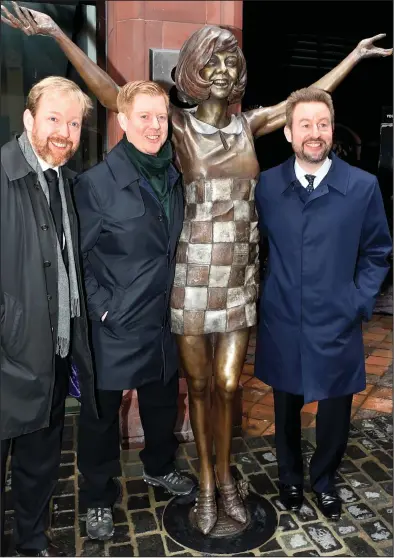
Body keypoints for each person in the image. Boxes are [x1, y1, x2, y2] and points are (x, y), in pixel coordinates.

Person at [2, 1, 391, 534]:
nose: (224, 71)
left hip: (238, 284)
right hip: (190, 284)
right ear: (194, 71)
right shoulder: (177, 126)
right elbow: (112, 95)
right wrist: (57, 36)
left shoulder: (247, 125)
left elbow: (302, 103)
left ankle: (225, 478)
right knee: (202, 386)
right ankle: (207, 486)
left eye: (231, 62)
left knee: (229, 386)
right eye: (213, 62)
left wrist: (352, 57)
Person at [254, 87, 392, 521]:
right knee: (286, 406)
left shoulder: (361, 186)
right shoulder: (268, 185)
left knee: (334, 410)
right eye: (305, 125)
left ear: (332, 130)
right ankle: (290, 478)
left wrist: (357, 301)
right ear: (289, 134)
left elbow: (377, 251)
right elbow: (255, 245)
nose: (315, 133)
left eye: (323, 124)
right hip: (283, 319)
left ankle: (325, 480)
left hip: (336, 319)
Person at [73, 80, 194, 542]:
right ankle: (98, 496)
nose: (153, 126)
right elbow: (78, 259)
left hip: (163, 320)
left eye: (160, 117)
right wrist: (102, 310)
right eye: (143, 116)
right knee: (101, 416)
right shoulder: (96, 183)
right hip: (115, 324)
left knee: (162, 403)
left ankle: (159, 467)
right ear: (122, 121)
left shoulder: (173, 174)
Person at [1, 76, 96, 557]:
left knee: (39, 463)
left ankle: (31, 543)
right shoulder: (3, 175)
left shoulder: (63, 180)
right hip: (6, 359)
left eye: (74, 122)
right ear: (29, 120)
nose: (64, 131)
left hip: (52, 354)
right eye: (54, 119)